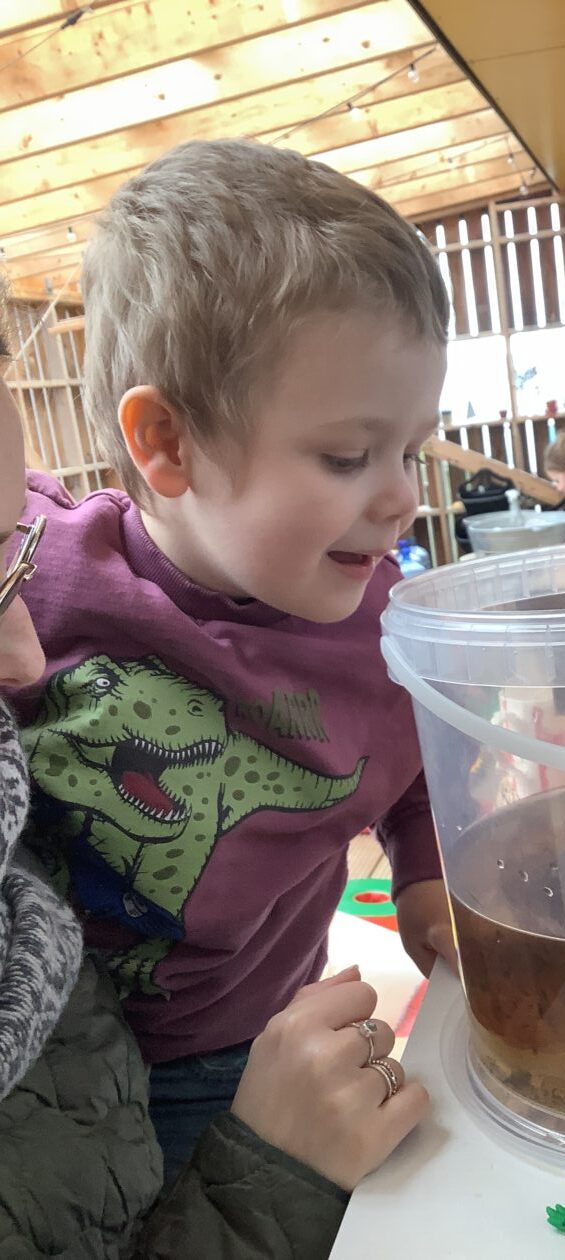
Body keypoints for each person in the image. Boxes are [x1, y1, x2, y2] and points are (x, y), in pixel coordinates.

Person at [11, 138, 456, 1182]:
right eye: (347, 456)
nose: (402, 496)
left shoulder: (387, 634)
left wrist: (427, 874)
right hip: (54, 1062)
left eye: (411, 451)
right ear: (167, 444)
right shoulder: (43, 575)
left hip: (242, 1053)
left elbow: (419, 762)